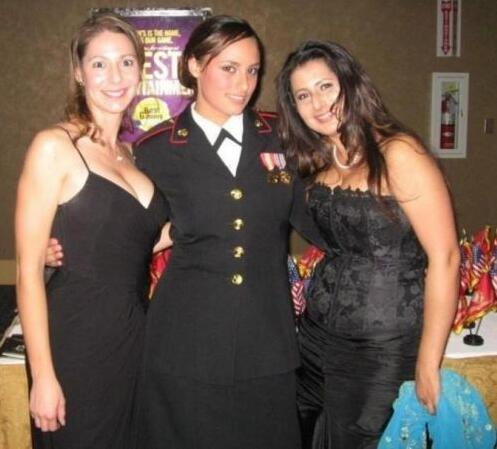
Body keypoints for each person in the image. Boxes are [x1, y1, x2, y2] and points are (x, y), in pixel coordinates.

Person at [132, 15, 322, 449]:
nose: (244, 84)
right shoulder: (155, 149)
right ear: (195, 65)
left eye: (252, 70)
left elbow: (318, 220)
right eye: (229, 68)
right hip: (184, 341)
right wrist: (63, 249)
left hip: (266, 340)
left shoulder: (283, 137)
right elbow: (127, 233)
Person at [276, 41, 460, 449]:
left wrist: (428, 363)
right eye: (303, 95)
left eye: (326, 86)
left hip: (382, 349)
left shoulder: (399, 153)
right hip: (314, 339)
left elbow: (446, 257)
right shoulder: (320, 159)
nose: (317, 104)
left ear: (350, 84)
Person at [15, 13, 168, 449]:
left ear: (141, 70)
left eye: (126, 62)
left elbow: (138, 240)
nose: (114, 76)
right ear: (79, 73)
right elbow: (28, 272)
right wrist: (44, 376)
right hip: (77, 341)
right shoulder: (54, 147)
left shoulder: (133, 154)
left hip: (135, 336)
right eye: (99, 64)